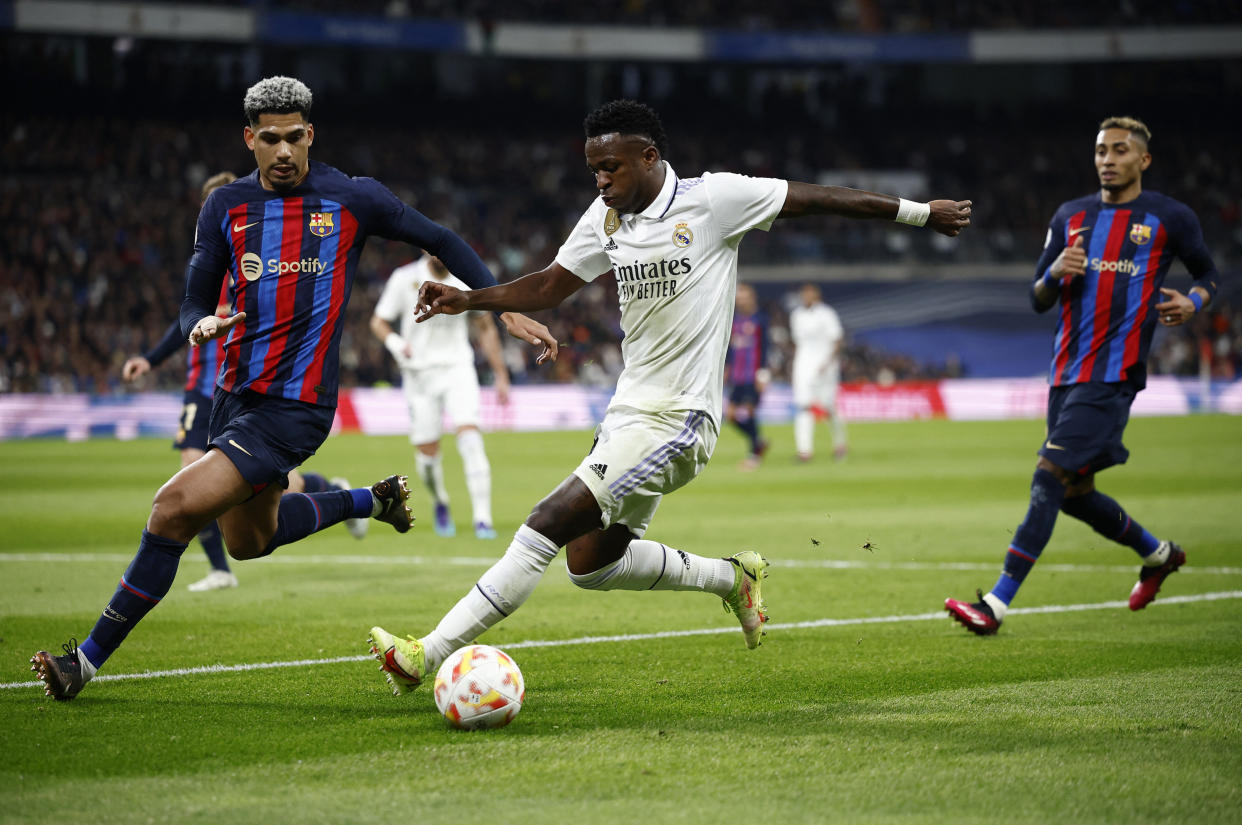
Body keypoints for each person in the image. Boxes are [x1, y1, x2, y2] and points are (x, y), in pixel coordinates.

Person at [367, 99, 971, 696]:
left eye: (612, 168)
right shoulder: (605, 219)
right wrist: (471, 300)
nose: (601, 181)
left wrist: (920, 215)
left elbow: (819, 199)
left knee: (544, 524)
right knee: (592, 566)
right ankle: (732, 578)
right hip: (628, 412)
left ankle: (426, 654)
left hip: (682, 418)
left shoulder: (715, 200)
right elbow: (551, 286)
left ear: (649, 157)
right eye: (593, 170)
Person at [30, 75, 556, 700]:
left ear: (312, 135)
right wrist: (197, 323)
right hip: (233, 397)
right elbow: (194, 297)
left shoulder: (353, 199)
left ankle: (82, 663)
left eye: (295, 138)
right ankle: (370, 501)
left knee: (171, 510)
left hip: (296, 407)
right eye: (270, 139)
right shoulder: (224, 208)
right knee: (248, 541)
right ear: (249, 139)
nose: (284, 151)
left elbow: (439, 239)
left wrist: (500, 306)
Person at [945, 116, 1220, 635]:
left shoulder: (1169, 218)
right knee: (1074, 495)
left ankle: (996, 604)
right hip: (1065, 376)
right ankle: (1160, 555)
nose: (1107, 160)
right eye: (1100, 151)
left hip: (1114, 376)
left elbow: (1209, 273)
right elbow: (1036, 297)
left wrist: (1194, 301)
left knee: (1048, 476)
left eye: (1119, 150)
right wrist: (1054, 273)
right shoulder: (1070, 217)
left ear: (1143, 160)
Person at [121, 172, 368, 594]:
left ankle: (331, 493)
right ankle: (223, 567)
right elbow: (181, 321)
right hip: (201, 390)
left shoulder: (251, 259)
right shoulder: (205, 266)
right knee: (198, 478)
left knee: (252, 486)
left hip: (241, 387)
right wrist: (150, 359)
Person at [370, 254, 510, 539]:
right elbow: (378, 322)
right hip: (419, 375)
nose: (440, 255)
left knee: (471, 440)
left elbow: (485, 328)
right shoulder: (403, 278)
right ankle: (440, 502)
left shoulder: (464, 279)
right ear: (424, 250)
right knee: (428, 456)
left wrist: (500, 373)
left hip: (458, 369)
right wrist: (396, 343)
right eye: (434, 250)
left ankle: (483, 518)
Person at [789, 282, 847, 462]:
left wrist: (828, 362)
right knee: (803, 405)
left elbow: (837, 339)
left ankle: (840, 443)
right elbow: (798, 342)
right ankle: (804, 450)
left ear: (817, 295)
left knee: (828, 406)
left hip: (825, 365)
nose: (806, 297)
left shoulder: (826, 314)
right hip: (803, 365)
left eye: (809, 294)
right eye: (803, 294)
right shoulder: (796, 315)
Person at [725, 282, 771, 470]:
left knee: (750, 411)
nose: (740, 300)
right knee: (730, 416)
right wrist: (727, 367)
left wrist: (763, 374)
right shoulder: (733, 320)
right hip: (737, 375)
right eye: (739, 297)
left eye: (744, 297)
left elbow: (766, 347)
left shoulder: (760, 320)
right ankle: (758, 441)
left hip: (753, 375)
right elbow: (730, 348)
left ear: (752, 298)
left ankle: (754, 455)